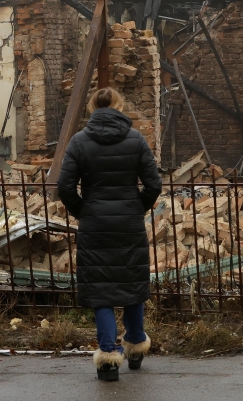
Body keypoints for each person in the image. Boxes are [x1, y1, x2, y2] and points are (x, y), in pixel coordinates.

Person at [58, 87, 162, 382]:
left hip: (95, 225)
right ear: (119, 106)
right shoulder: (135, 139)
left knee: (101, 291)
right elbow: (154, 185)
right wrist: (135, 208)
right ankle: (136, 345)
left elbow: (65, 187)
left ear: (92, 107)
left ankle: (108, 360)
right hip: (129, 224)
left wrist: (84, 211)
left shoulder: (79, 142)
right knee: (131, 285)